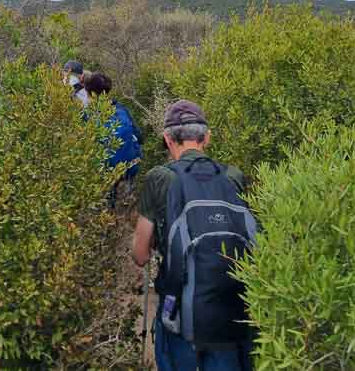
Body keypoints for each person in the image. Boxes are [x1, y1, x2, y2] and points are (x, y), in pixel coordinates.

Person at [132, 100, 256, 371]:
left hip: (179, 311)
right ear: (206, 137)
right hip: (232, 308)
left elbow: (140, 255)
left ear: (167, 138)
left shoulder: (159, 178)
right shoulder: (233, 176)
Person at [83, 72, 143, 206]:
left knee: (104, 206)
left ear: (89, 93)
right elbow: (139, 137)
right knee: (124, 207)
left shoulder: (87, 115)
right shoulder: (122, 110)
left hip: (103, 171)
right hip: (129, 167)